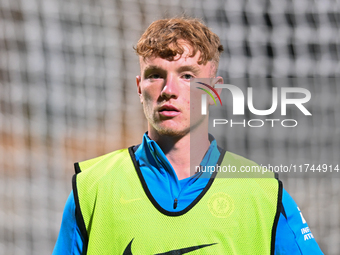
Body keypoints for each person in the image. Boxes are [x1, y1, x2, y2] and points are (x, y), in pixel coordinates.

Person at [53, 17, 323, 254]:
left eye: (186, 76)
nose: (169, 89)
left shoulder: (263, 192)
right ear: (139, 87)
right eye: (155, 75)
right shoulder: (91, 188)